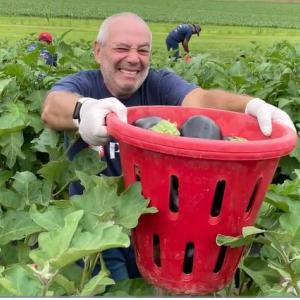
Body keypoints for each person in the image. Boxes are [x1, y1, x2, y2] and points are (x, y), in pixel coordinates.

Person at [41, 12, 295, 282]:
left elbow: (202, 99)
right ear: (98, 51)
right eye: (122, 48)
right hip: (96, 228)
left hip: (158, 228)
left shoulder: (159, 84)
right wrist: (84, 110)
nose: (133, 58)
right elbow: (52, 107)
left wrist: (251, 106)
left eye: (143, 50)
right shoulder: (83, 84)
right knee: (109, 288)